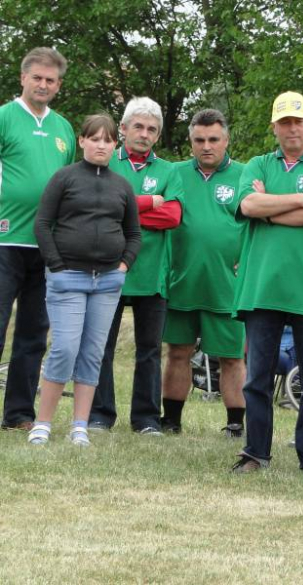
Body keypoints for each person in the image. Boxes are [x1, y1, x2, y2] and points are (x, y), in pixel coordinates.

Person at [231, 91, 303, 478]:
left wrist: (270, 208)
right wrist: (300, 200)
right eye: (284, 122)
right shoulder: (257, 164)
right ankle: (255, 453)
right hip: (261, 286)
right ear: (274, 127)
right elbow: (246, 206)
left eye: (298, 121)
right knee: (257, 379)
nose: (292, 128)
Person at [28, 114, 141, 446]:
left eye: (107, 140)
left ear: (115, 145)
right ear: (82, 141)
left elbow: (133, 234)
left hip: (107, 282)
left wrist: (123, 266)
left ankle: (80, 425)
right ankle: (43, 423)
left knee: (92, 353)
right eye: (94, 139)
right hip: (67, 279)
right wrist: (57, 266)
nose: (101, 145)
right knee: (64, 348)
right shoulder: (64, 178)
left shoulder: (122, 185)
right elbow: (42, 224)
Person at [89, 97, 184, 435]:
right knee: (101, 346)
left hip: (152, 272)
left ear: (157, 135)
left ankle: (145, 418)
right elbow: (95, 206)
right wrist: (146, 203)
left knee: (149, 350)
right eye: (139, 127)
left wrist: (121, 206)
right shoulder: (104, 161)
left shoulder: (170, 170)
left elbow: (172, 216)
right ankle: (99, 415)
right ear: (124, 128)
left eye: (152, 130)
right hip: (106, 268)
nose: (144, 134)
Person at [0, 47, 75, 431]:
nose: (43, 85)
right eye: (37, 78)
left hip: (46, 246)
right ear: (23, 78)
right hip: (4, 242)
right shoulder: (4, 118)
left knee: (33, 334)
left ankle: (18, 415)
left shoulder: (64, 129)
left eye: (50, 80)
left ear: (58, 85)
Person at [160, 109, 246, 437]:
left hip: (226, 284)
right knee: (178, 351)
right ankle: (171, 421)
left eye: (213, 139)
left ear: (226, 140)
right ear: (190, 141)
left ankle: (235, 423)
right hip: (181, 280)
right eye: (199, 140)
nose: (206, 146)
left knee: (230, 356)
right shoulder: (174, 172)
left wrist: (246, 260)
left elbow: (257, 224)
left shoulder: (244, 174)